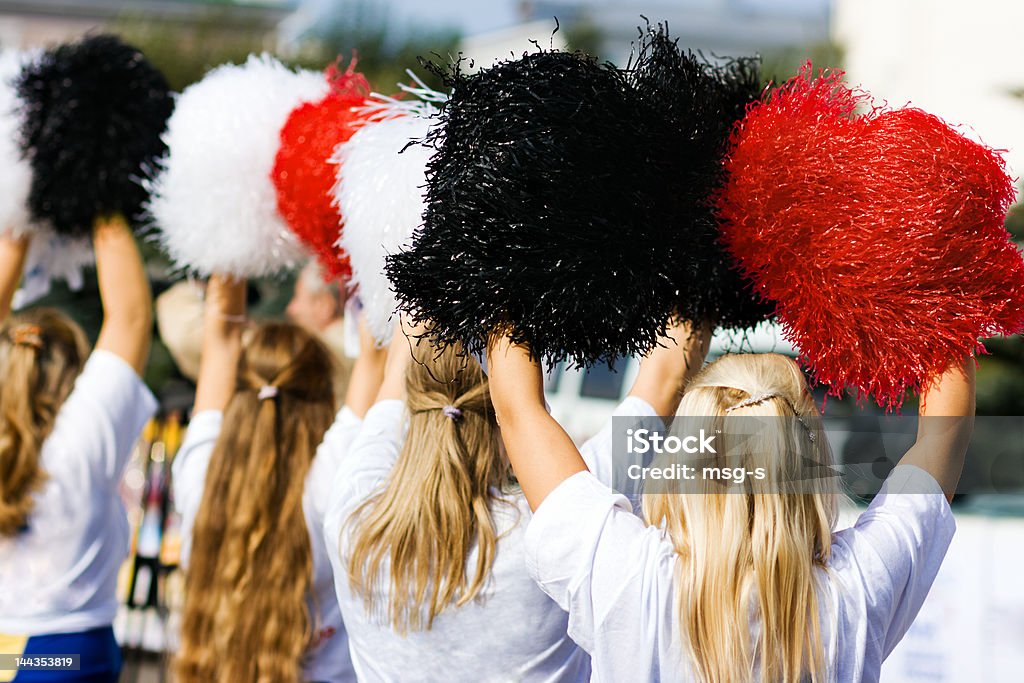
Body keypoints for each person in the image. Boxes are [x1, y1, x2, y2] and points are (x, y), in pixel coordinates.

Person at [487, 320, 973, 683]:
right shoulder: (860, 587)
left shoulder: (626, 576)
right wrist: (923, 268)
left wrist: (513, 234)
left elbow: (519, 408)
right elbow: (944, 431)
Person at [322, 321, 591, 682]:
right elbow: (660, 389)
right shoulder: (551, 537)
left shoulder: (351, 521)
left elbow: (391, 385)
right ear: (504, 414)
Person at [171, 273, 369, 683]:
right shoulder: (329, 485)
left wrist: (232, 251)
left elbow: (221, 338)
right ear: (323, 400)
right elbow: (376, 361)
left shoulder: (200, 480)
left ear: (238, 394)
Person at [0, 218, 157, 683]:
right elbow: (129, 317)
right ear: (72, 372)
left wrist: (17, 221)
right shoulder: (79, 441)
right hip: (66, 653)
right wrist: (95, 190)